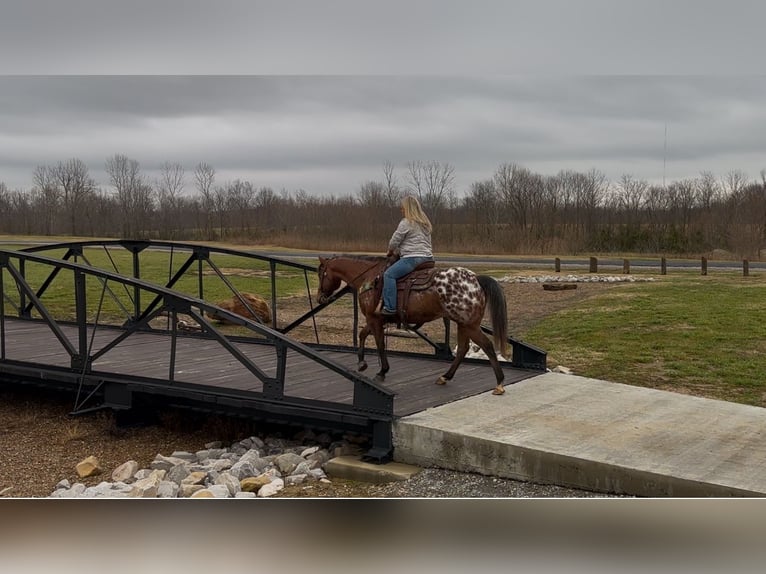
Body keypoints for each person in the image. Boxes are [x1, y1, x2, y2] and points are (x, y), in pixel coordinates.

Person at [380, 195, 434, 316]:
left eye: (402, 208)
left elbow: (395, 241)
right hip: (428, 259)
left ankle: (390, 307)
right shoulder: (425, 223)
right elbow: (413, 242)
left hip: (413, 259)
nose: (401, 210)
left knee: (389, 275)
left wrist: (390, 251)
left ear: (408, 209)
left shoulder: (406, 222)